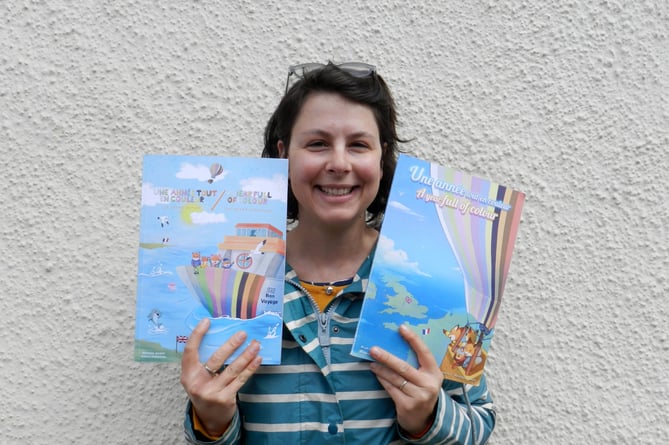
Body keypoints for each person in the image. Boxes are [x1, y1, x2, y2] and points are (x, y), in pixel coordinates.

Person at [180, 62, 496, 444]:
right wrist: (211, 423)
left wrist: (429, 418)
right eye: (317, 144)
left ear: (382, 158)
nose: (339, 163)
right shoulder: (228, 276)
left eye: (359, 145)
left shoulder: (436, 276)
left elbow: (480, 422)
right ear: (284, 154)